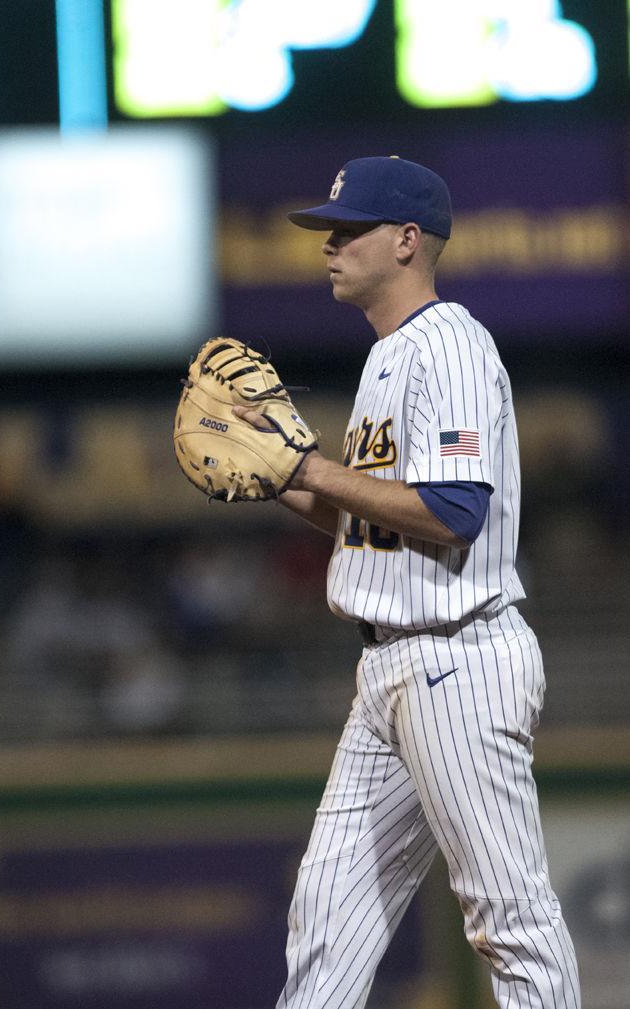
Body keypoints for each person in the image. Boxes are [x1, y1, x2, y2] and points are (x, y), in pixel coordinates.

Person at [236, 156, 580, 1009]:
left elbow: (454, 510)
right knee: (328, 916)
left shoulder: (453, 343)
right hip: (388, 671)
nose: (329, 244)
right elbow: (382, 524)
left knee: (510, 919)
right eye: (327, 230)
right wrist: (285, 479)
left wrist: (311, 462)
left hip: (458, 661)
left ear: (406, 240)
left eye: (347, 230)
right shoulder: (387, 362)